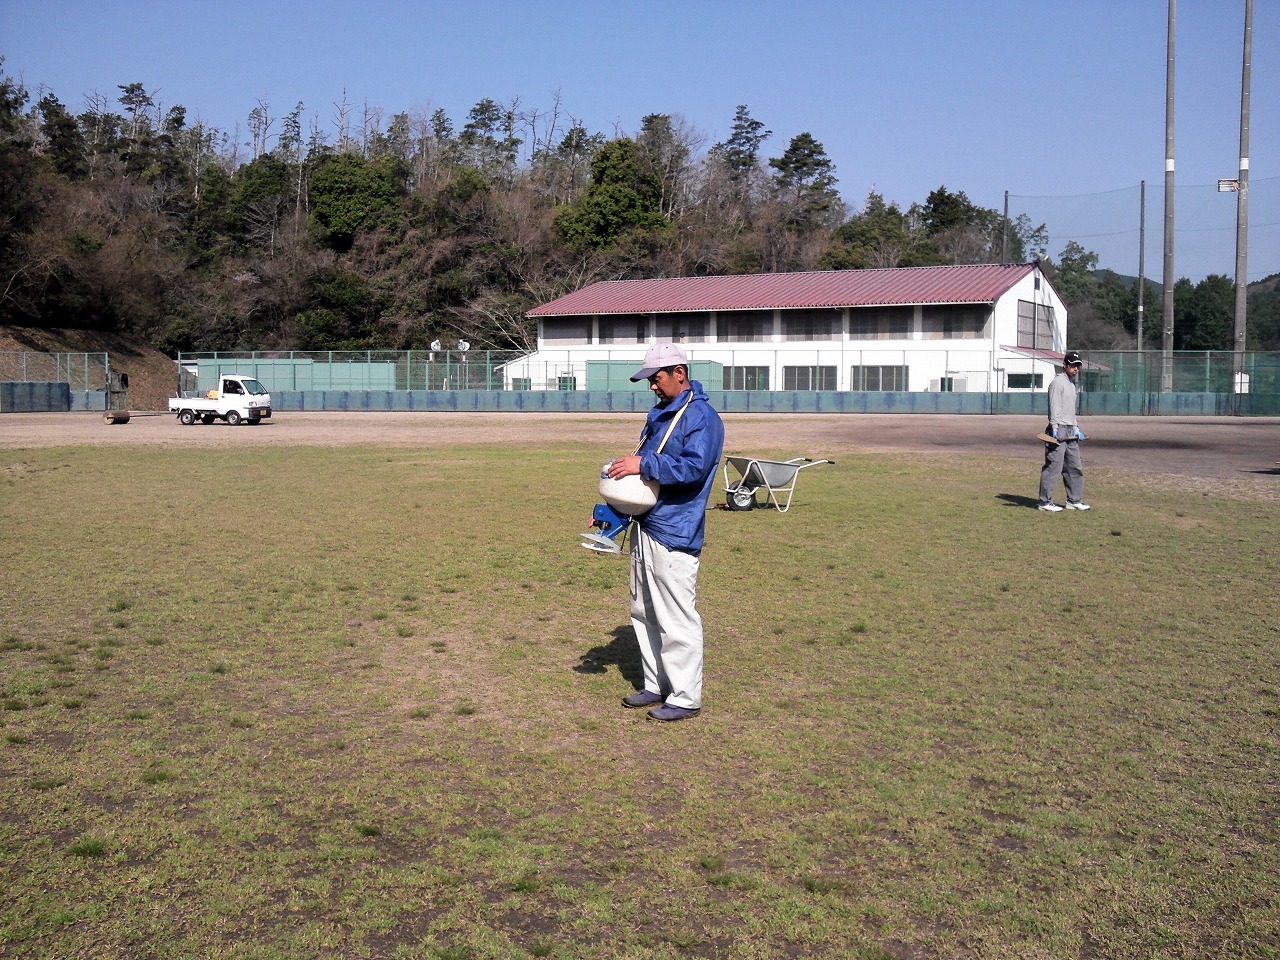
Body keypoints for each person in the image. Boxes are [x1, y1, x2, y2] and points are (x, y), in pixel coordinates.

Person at [604, 342, 724, 722]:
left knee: (675, 616)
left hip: (675, 531)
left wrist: (644, 462)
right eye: (649, 381)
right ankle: (656, 685)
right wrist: (611, 511)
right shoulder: (659, 415)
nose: (652, 387)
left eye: (656, 379)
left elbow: (693, 469)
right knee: (644, 611)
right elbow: (644, 481)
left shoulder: (702, 417)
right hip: (645, 526)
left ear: (679, 374)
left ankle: (686, 697)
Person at [1038, 350, 1090, 511]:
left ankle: (1074, 500)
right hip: (1058, 428)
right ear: (1065, 365)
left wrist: (1076, 428)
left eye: (1078, 366)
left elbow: (1070, 410)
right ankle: (1045, 502)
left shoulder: (1072, 385)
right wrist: (1054, 427)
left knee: (1075, 466)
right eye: (1073, 365)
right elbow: (1054, 406)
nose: (1076, 369)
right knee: (1054, 466)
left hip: (1070, 429)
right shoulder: (1057, 382)